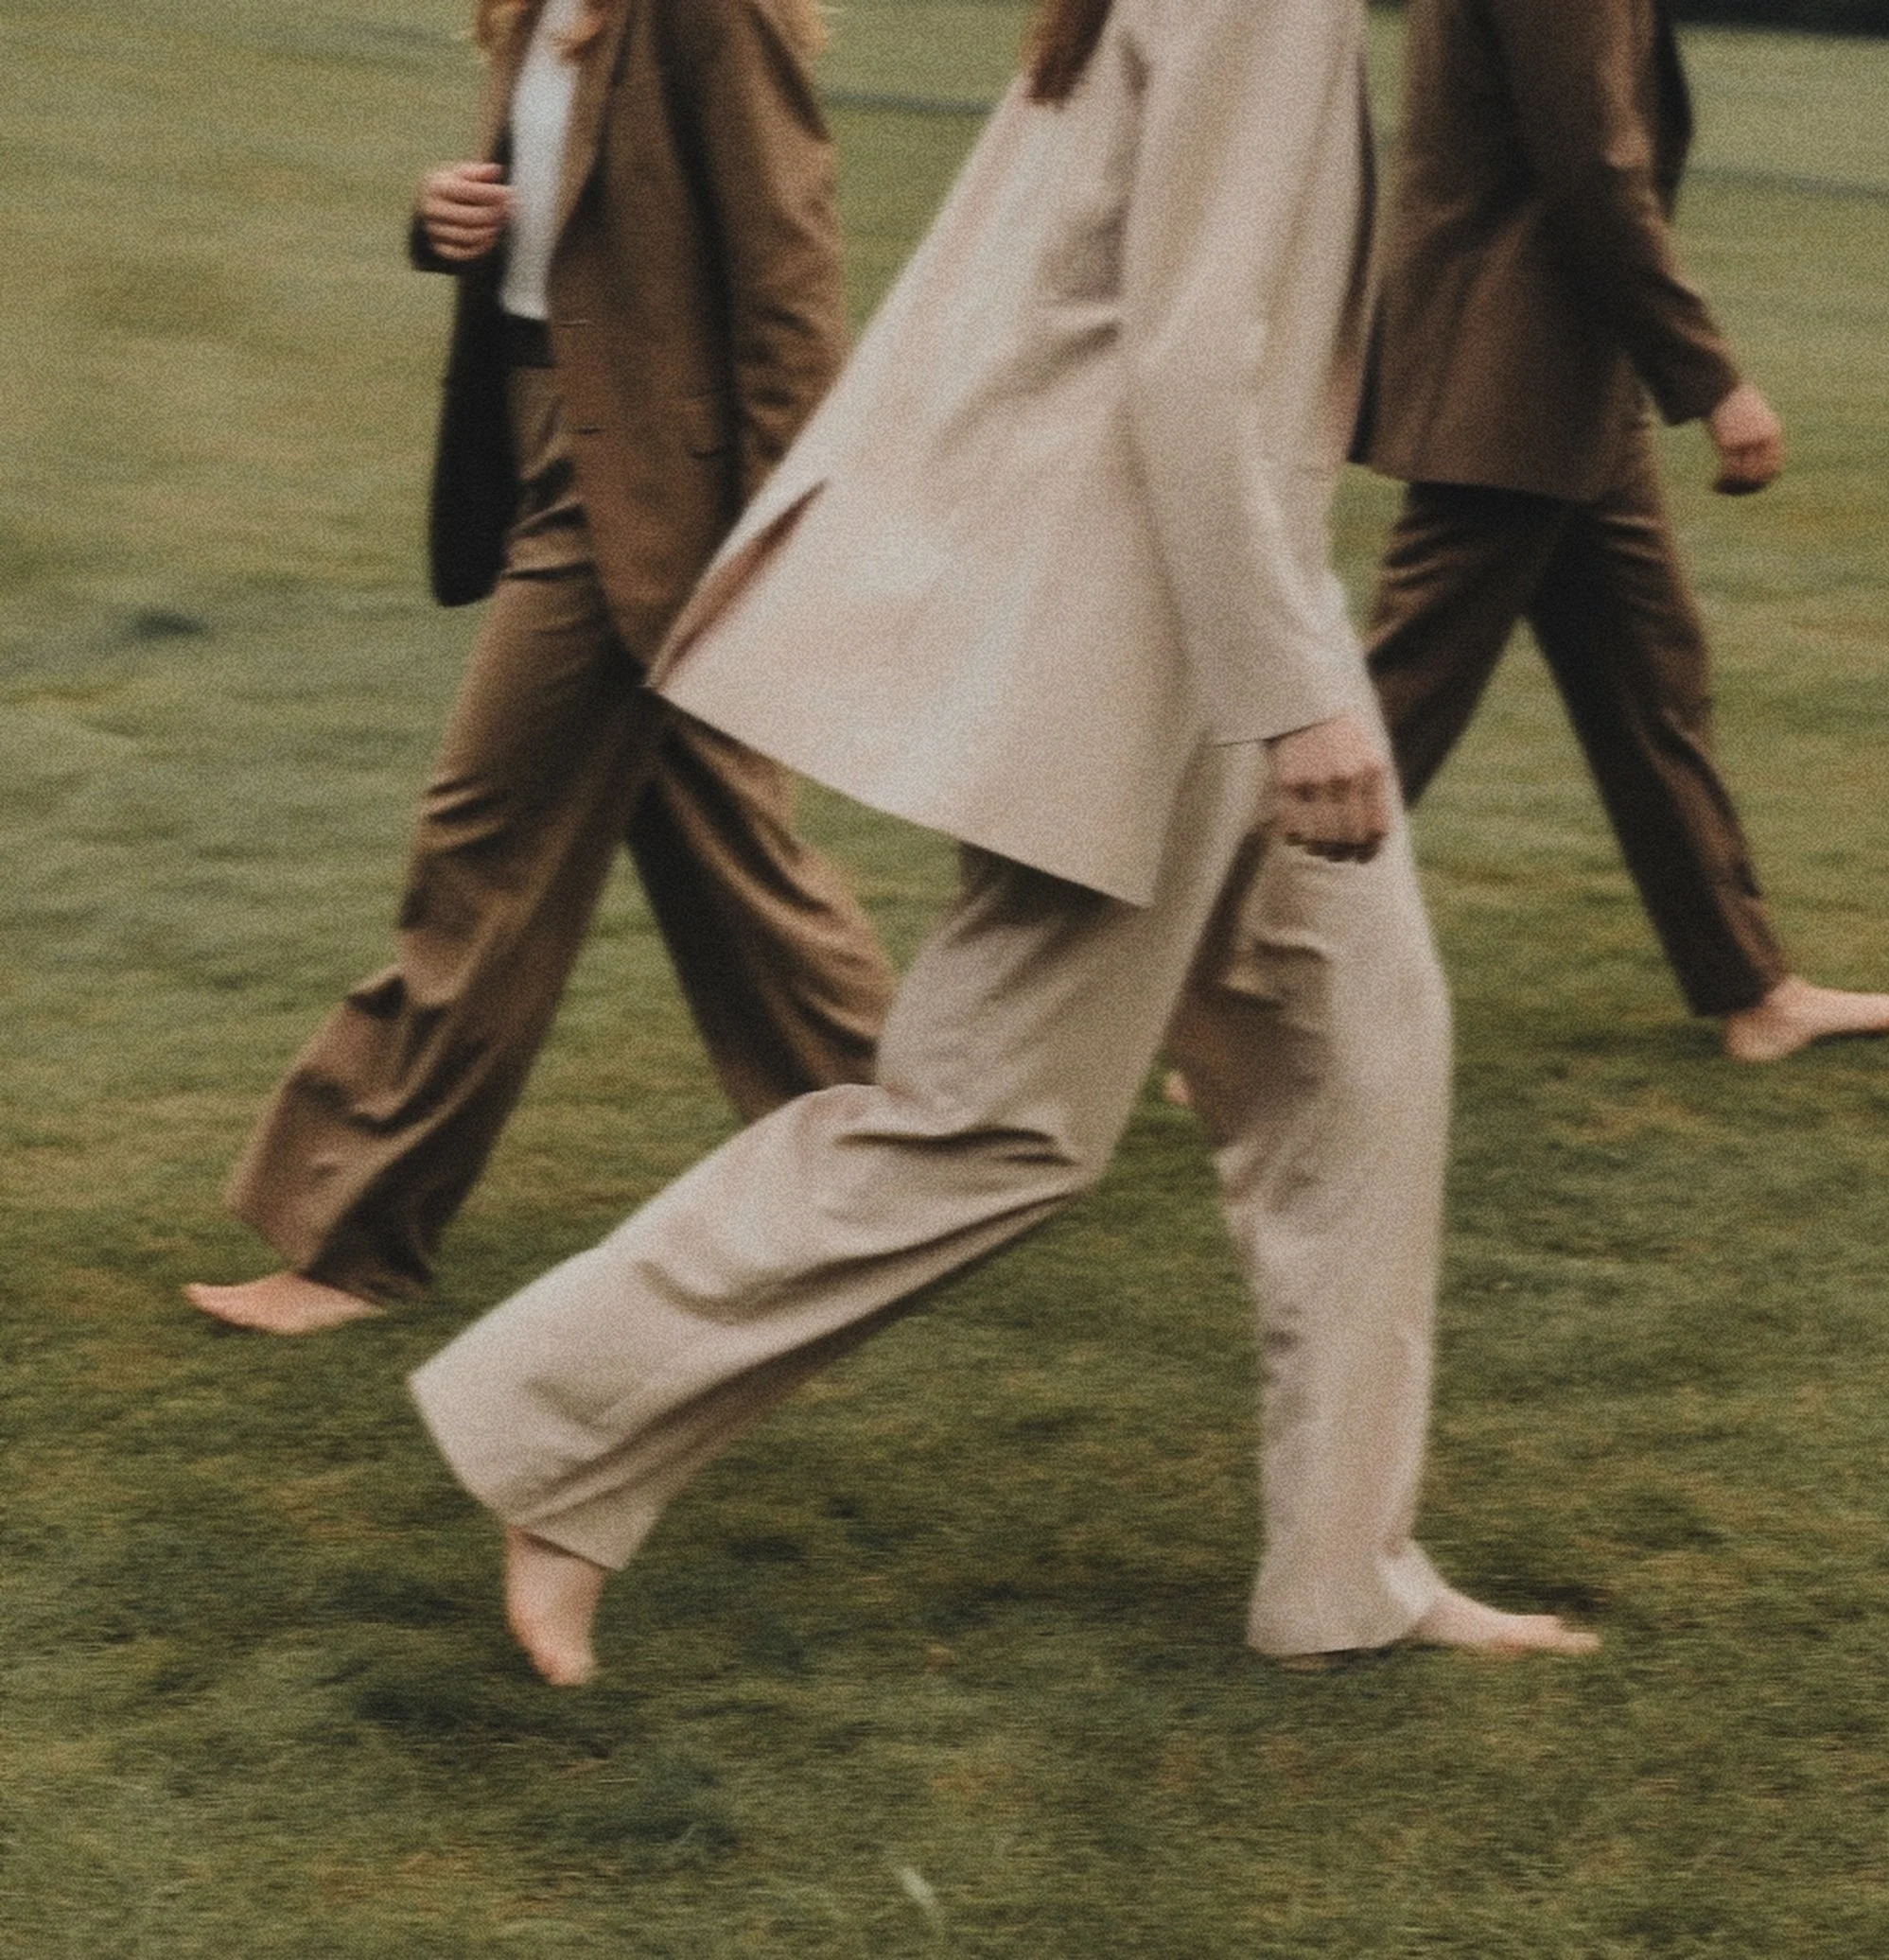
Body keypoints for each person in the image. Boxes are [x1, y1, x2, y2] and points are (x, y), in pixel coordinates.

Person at [408, 0, 1598, 1688]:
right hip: (1149, 640)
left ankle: (1344, 1573)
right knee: (991, 1123)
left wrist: (1288, 658)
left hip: (1200, 611)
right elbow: (1190, 356)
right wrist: (1287, 693)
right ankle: (552, 1427)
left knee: (1366, 1064)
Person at [186, 0, 896, 1337]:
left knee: (483, 849)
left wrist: (782, 523)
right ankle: (919, 1145)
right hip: (534, 421)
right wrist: (441, 214)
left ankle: (351, 1242)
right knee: (721, 843)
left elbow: (787, 265)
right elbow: (553, 228)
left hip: (642, 477)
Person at [1358, 0, 1889, 1063]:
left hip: (1564, 377)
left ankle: (1752, 989)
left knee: (1649, 683)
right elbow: (1591, 171)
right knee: (1387, 717)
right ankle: (1223, 994)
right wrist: (1711, 382)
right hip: (1510, 375)